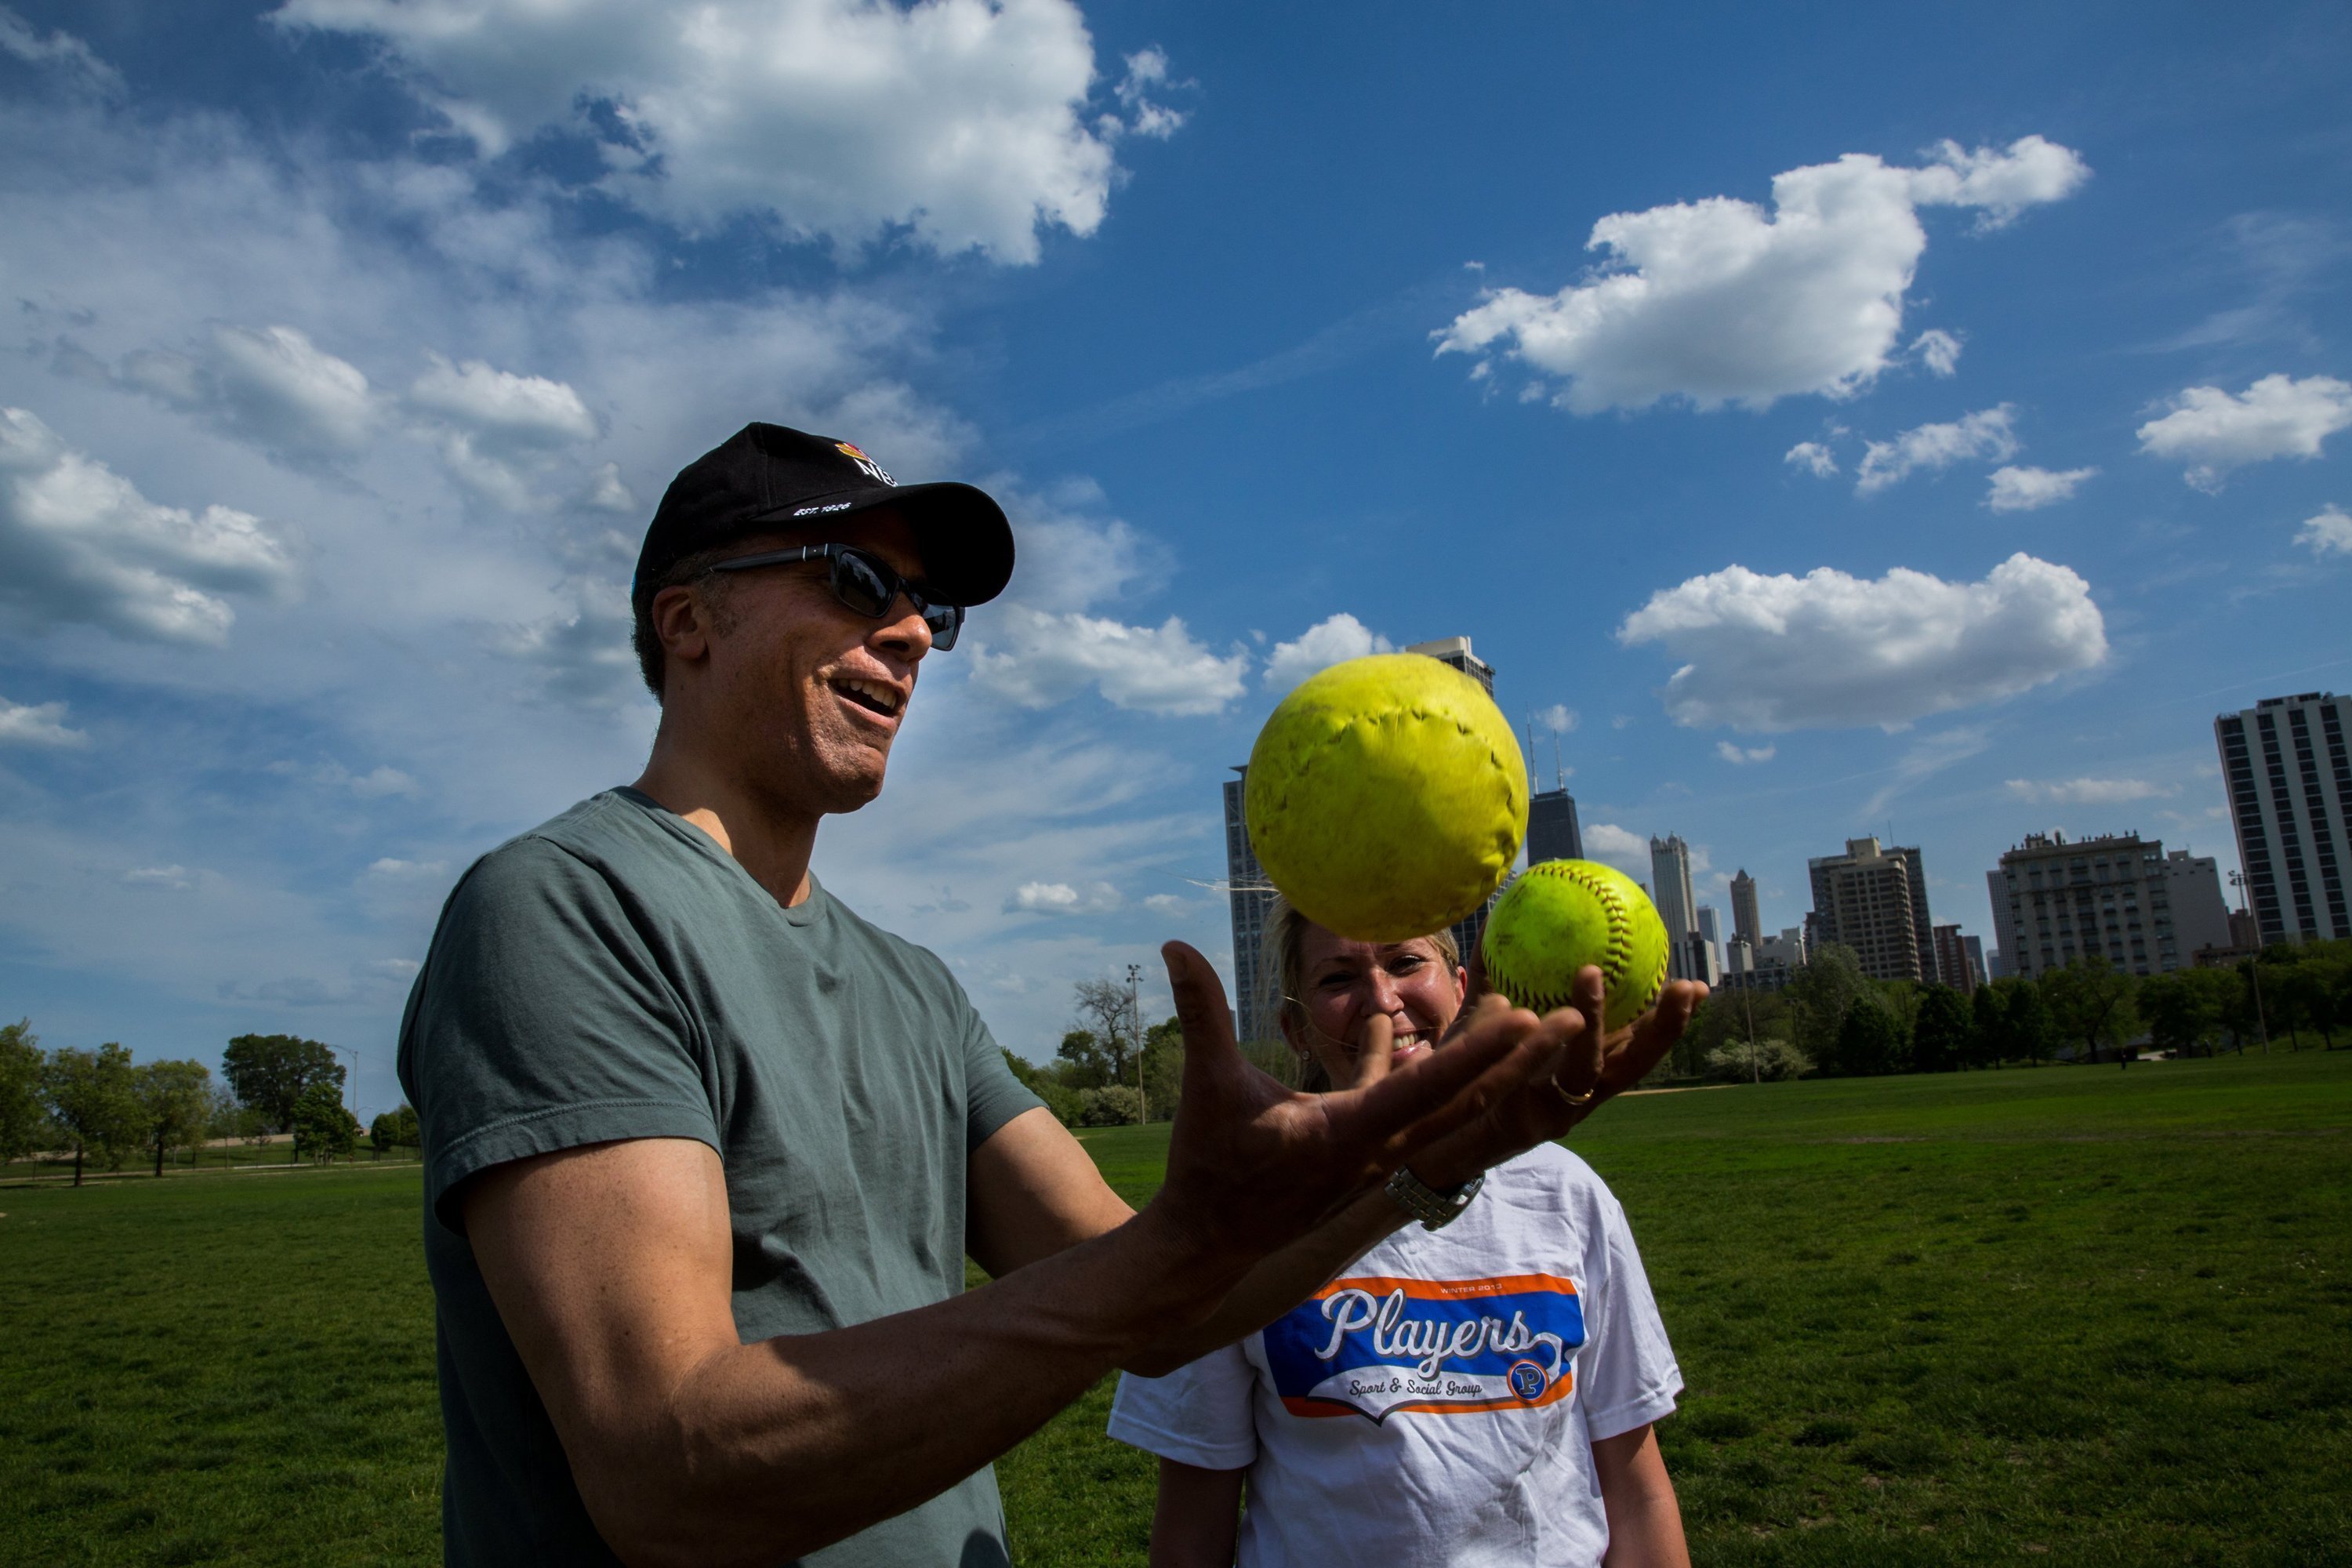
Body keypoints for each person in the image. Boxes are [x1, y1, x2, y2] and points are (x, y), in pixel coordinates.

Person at [396, 421, 1705, 1567]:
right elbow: (667, 1476)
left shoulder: (914, 989)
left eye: (928, 609)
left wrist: (1433, 1167)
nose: (911, 632)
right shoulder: (569, 910)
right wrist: (1179, 1249)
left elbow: (1163, 1304)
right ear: (689, 621)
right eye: (857, 580)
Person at [1109, 897, 1693, 1567]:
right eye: (1337, 979)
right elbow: (1192, 1527)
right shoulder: (1243, 1213)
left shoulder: (1565, 1192)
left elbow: (1638, 1490)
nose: (1382, 1001)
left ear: (1463, 987)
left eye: (1407, 961)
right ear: (1295, 1031)